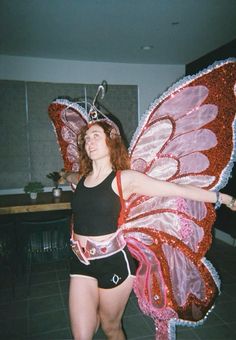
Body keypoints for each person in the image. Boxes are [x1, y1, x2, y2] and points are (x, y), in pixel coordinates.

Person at [61, 119, 236, 340]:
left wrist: (224, 198)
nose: (89, 141)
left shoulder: (124, 179)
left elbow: (177, 189)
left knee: (110, 327)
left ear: (111, 141)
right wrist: (64, 175)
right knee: (81, 336)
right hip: (80, 263)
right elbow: (70, 175)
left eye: (96, 135)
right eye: (86, 138)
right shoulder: (83, 178)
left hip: (112, 262)